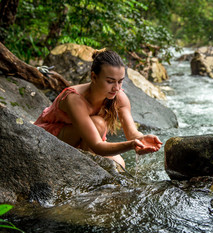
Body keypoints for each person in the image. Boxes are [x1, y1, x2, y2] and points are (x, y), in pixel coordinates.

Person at [34, 49, 162, 169]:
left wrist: (142, 140)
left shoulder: (119, 97)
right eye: (110, 81)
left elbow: (132, 133)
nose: (116, 88)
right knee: (99, 124)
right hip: (49, 139)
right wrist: (131, 145)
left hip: (86, 141)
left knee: (120, 164)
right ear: (94, 77)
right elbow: (97, 145)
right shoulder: (74, 99)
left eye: (120, 81)